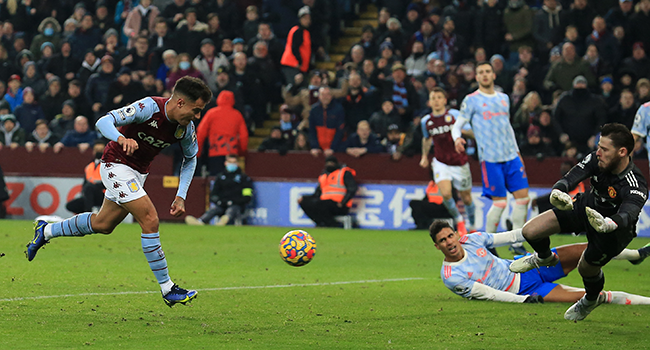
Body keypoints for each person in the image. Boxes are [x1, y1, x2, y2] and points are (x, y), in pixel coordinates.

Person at [26, 76, 213, 307]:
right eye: (196, 110)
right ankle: (168, 289)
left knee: (103, 224)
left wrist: (181, 194)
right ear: (181, 103)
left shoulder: (185, 129)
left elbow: (190, 158)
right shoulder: (149, 107)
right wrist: (121, 137)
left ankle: (46, 231)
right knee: (150, 219)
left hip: (137, 174)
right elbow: (104, 121)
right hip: (115, 164)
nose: (198, 116)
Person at [509, 123, 648, 321]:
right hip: (586, 207)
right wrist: (559, 190)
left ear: (622, 152)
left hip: (614, 231)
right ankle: (544, 258)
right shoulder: (596, 159)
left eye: (604, 149)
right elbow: (573, 176)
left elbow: (629, 212)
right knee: (531, 230)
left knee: (585, 268)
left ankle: (590, 300)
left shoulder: (635, 183)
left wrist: (609, 224)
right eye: (599, 146)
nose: (598, 152)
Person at [430, 220, 650, 304]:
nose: (449, 242)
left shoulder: (471, 239)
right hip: (524, 290)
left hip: (530, 265)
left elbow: (511, 236)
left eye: (450, 236)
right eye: (442, 240)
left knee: (590, 248)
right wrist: (524, 300)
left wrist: (535, 230)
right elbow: (487, 293)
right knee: (594, 297)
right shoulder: (451, 276)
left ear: (456, 234)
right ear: (437, 246)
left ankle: (635, 256)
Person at [452, 62, 529, 255]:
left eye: (487, 71)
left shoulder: (504, 99)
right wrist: (457, 138)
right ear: (476, 77)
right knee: (500, 203)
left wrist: (518, 152)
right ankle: (488, 242)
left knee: (523, 199)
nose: (484, 75)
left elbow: (507, 127)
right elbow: (457, 125)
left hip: (511, 155)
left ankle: (517, 242)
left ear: (493, 75)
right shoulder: (471, 100)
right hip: (491, 158)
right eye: (480, 72)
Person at [420, 88, 476, 235]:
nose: (436, 100)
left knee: (467, 198)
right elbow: (426, 139)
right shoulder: (426, 121)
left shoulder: (455, 115)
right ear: (430, 101)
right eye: (433, 98)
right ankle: (459, 220)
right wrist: (424, 156)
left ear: (445, 100)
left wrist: (460, 131)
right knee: (445, 194)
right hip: (441, 162)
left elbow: (472, 133)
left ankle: (472, 224)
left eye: (439, 97)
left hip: (460, 162)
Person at [185, 154, 254, 226]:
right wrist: (219, 201)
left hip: (236, 205)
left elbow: (247, 197)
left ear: (237, 164)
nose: (232, 164)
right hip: (221, 204)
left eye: (234, 162)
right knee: (213, 209)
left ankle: (223, 221)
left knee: (231, 210)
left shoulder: (244, 178)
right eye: (230, 162)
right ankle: (200, 221)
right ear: (225, 163)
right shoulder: (220, 177)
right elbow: (214, 194)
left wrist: (234, 202)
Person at [197, 90, 248, 176]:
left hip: (215, 152)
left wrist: (197, 153)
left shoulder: (211, 113)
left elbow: (200, 134)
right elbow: (244, 137)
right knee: (232, 180)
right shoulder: (237, 115)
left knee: (216, 180)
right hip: (232, 154)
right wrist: (241, 152)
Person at [299, 156, 358, 228]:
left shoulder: (343, 173)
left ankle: (331, 224)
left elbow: (352, 188)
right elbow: (317, 194)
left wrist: (343, 202)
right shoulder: (323, 176)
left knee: (320, 204)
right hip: (324, 202)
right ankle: (321, 222)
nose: (330, 165)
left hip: (339, 204)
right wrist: (305, 199)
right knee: (305, 202)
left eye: (332, 163)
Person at [66, 140, 107, 214]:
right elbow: (85, 183)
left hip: (104, 195)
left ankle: (88, 214)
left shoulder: (108, 165)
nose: (98, 152)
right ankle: (87, 213)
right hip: (89, 194)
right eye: (96, 150)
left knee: (89, 187)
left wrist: (94, 186)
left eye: (101, 150)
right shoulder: (89, 166)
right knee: (71, 205)